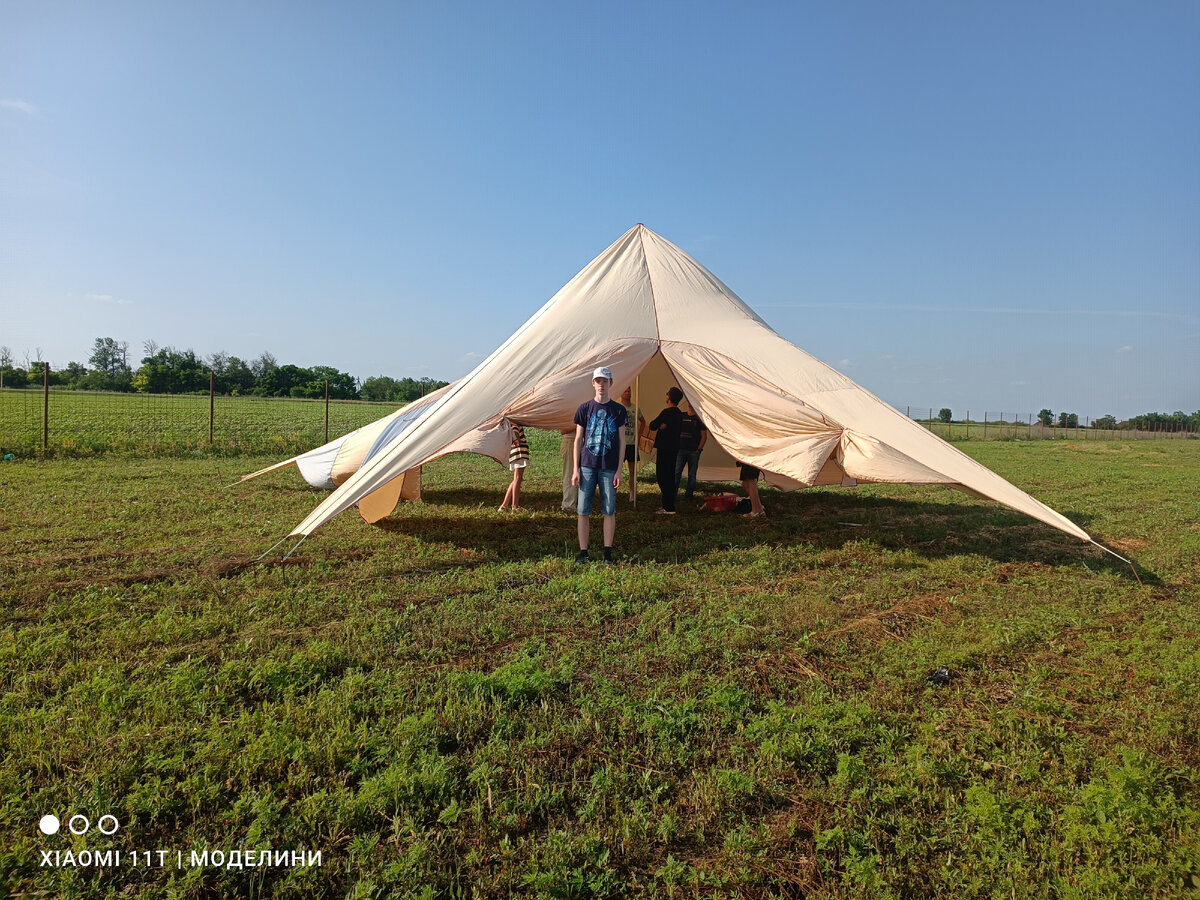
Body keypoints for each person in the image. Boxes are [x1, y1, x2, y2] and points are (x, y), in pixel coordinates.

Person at [572, 367, 627, 564]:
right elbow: (578, 440)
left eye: (605, 381)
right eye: (598, 381)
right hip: (587, 465)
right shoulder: (584, 408)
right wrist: (575, 469)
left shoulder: (619, 410)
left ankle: (607, 552)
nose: (601, 384)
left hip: (609, 467)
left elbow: (622, 441)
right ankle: (583, 552)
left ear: (610, 383)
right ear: (593, 383)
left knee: (609, 509)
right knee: (583, 510)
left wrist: (620, 469)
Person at [649, 387, 684, 514]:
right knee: (669, 476)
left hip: (664, 448)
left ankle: (668, 506)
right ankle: (668, 504)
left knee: (662, 476)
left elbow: (652, 425)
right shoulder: (679, 414)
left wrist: (661, 425)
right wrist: (664, 426)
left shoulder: (666, 412)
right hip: (674, 448)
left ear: (669, 397)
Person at [674, 401, 708, 502]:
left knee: (692, 475)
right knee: (676, 473)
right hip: (681, 449)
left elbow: (704, 436)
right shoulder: (682, 415)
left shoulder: (699, 418)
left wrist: (699, 449)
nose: (690, 404)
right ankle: (673, 494)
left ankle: (688, 496)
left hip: (693, 451)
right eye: (688, 402)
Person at [620, 386, 646, 502]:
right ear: (621, 393)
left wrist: (639, 435)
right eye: (625, 391)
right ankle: (613, 492)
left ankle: (632, 494)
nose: (628, 393)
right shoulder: (618, 407)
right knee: (617, 469)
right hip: (621, 443)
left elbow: (643, 421)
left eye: (629, 391)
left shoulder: (635, 408)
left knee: (632, 471)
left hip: (632, 443)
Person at [498, 424, 530, 511]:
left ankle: (504, 505)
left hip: (515, 454)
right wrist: (517, 442)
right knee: (518, 479)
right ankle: (515, 506)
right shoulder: (515, 425)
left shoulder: (509, 426)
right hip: (519, 453)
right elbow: (515, 437)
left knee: (516, 479)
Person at [559, 427, 577, 512]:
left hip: (581, 441)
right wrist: (579, 424)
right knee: (570, 473)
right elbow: (563, 430)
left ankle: (579, 502)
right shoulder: (568, 413)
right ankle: (568, 505)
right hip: (571, 441)